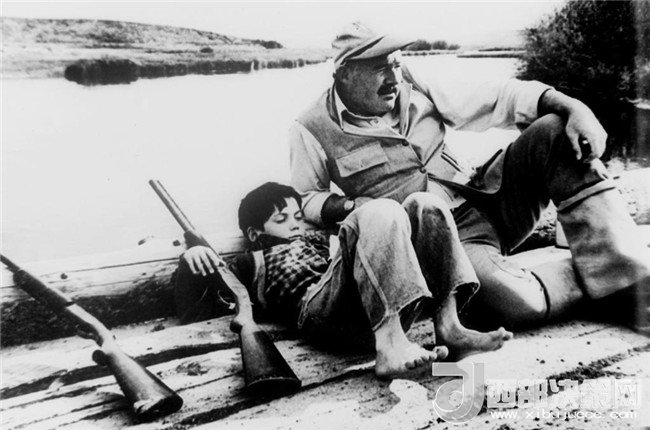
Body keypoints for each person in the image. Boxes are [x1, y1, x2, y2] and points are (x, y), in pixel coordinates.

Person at [289, 22, 650, 333]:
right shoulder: (310, 127)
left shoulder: (415, 81)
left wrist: (574, 107)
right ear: (344, 73)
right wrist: (351, 207)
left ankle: (632, 287)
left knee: (556, 129)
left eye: (395, 63)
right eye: (379, 68)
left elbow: (498, 97)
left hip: (488, 198)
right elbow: (308, 198)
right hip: (448, 246)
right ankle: (604, 280)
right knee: (522, 306)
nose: (393, 78)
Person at [174, 182, 512, 378]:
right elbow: (198, 306)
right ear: (253, 233)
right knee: (379, 210)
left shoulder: (320, 241)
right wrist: (192, 260)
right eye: (281, 219)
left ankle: (449, 327)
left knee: (425, 204)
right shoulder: (249, 262)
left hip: (373, 307)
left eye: (297, 216)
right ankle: (390, 346)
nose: (294, 224)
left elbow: (370, 257)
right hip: (320, 314)